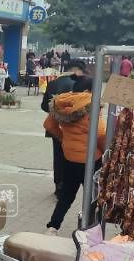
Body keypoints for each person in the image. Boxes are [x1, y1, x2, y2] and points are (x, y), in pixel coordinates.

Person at [44, 76, 106, 235]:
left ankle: (53, 227)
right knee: (94, 197)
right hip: (91, 161)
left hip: (69, 158)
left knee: (66, 196)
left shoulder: (61, 102)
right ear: (88, 90)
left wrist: (63, 138)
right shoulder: (90, 103)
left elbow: (49, 125)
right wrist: (104, 150)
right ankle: (91, 228)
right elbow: (100, 132)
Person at [42, 60, 87, 197]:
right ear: (76, 70)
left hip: (55, 127)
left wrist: (56, 113)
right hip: (74, 128)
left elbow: (44, 106)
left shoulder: (53, 83)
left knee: (58, 156)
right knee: (71, 157)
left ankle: (58, 186)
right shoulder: (80, 84)